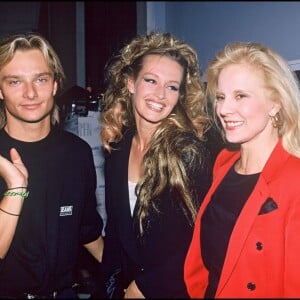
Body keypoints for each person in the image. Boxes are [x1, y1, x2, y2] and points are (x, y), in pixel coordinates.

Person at [100, 31, 214, 298]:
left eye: (172, 87)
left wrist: (145, 286)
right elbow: (117, 233)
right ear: (130, 83)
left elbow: (199, 239)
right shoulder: (118, 148)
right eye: (151, 81)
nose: (160, 95)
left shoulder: (187, 153)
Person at [184, 41, 300, 298]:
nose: (224, 110)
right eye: (221, 97)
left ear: (275, 104)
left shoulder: (295, 179)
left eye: (241, 96)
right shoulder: (223, 164)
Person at [0, 32, 104, 298]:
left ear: (55, 85)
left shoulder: (77, 152)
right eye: (15, 82)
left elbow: (87, 230)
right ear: (0, 90)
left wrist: (125, 276)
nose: (30, 93)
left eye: (41, 79)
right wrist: (15, 187)